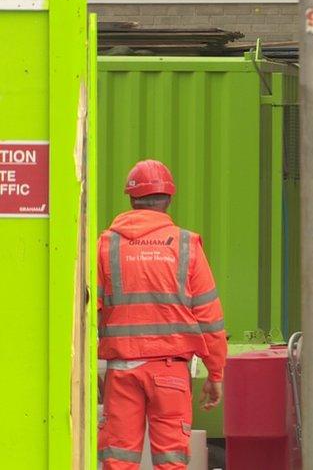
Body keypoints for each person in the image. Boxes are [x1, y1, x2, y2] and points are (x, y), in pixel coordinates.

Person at [97, 159, 227, 469]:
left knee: (118, 459)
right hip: (170, 372)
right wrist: (215, 373)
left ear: (131, 199)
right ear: (168, 200)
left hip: (122, 370)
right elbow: (210, 317)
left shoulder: (106, 244)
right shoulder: (186, 246)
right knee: (171, 461)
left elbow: (88, 311)